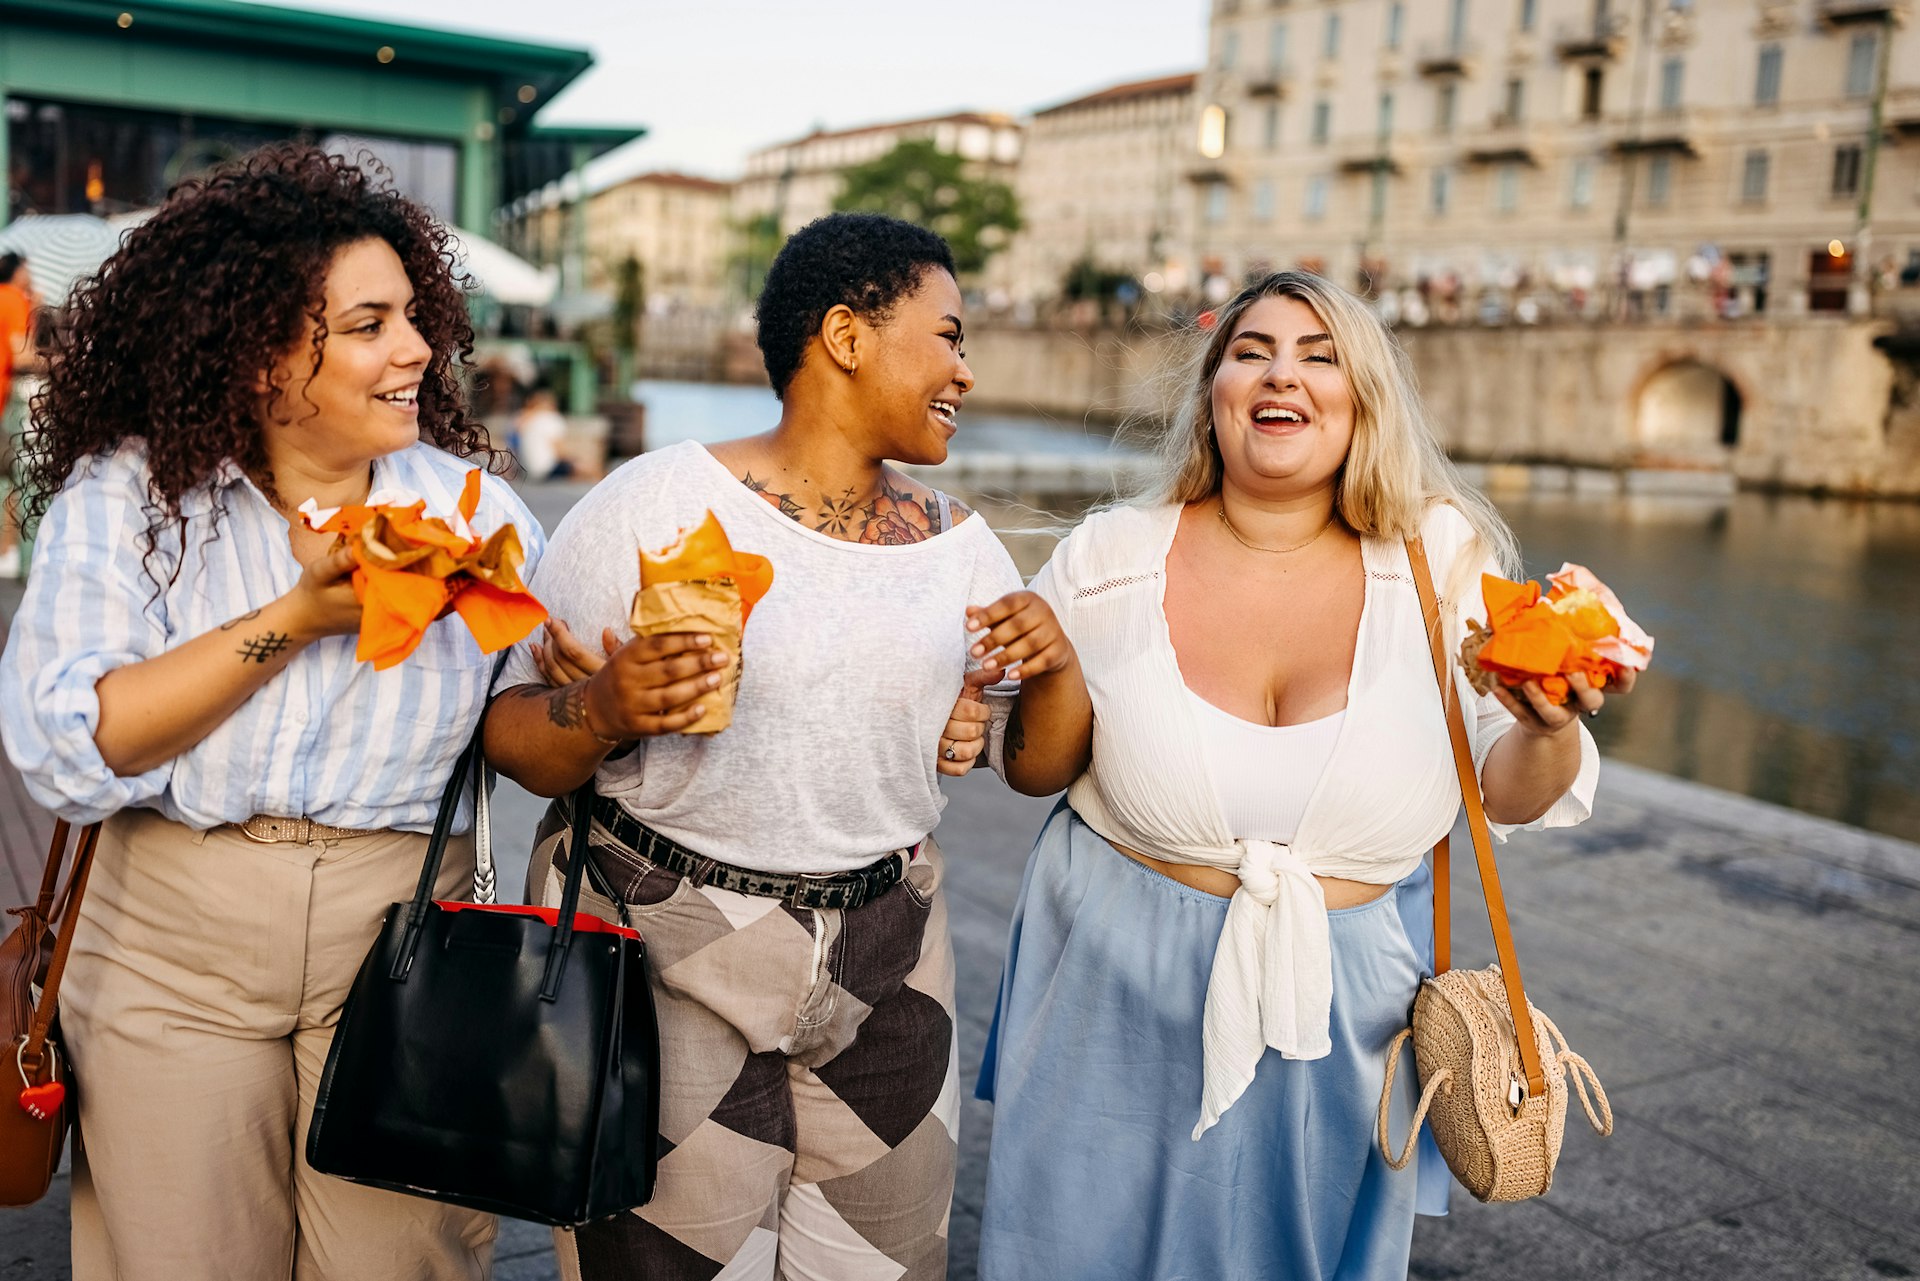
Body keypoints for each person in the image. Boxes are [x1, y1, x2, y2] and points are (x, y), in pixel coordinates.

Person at [964, 270, 1632, 1280]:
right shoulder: (1111, 554)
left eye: (1321, 356)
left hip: (1346, 1015)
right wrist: (1053, 664)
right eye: (1252, 352)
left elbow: (1509, 790)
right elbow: (1033, 768)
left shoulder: (1441, 559)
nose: (1283, 375)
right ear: (1212, 394)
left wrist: (1548, 724)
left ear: (1364, 399)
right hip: (1112, 990)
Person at [483, 211, 1065, 1280]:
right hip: (663, 949)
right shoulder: (652, 506)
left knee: (880, 1263)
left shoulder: (961, 547)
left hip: (890, 958)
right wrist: (607, 708)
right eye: (948, 335)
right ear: (846, 336)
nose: (966, 372)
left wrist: (1054, 668)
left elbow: (1037, 765)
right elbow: (516, 739)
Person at [0, 144, 541, 1280]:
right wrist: (296, 615)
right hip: (169, 939)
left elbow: (533, 722)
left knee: (407, 1265)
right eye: (368, 324)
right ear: (254, 353)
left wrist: (605, 700)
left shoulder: (478, 512)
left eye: (413, 315)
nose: (416, 350)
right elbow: (73, 744)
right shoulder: (130, 498)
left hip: (405, 938)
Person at [0, 250, 37, 577]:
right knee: (15, 475)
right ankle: (7, 551)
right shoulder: (13, 299)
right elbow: (22, 355)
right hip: (5, 396)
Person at [511, 384, 570, 481]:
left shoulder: (519, 419)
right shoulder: (551, 418)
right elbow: (560, 452)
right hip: (548, 469)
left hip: (525, 470)